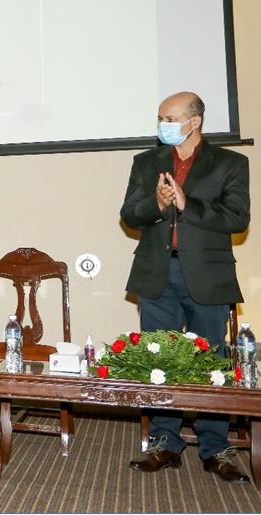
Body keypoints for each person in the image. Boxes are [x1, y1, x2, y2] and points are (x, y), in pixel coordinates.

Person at [121, 91, 250, 483]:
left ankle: (215, 447)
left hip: (207, 276)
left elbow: (237, 217)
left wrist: (185, 203)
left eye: (171, 118)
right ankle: (165, 442)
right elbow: (129, 214)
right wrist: (158, 205)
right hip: (157, 274)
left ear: (195, 121)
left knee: (211, 362)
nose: (164, 125)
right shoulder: (146, 162)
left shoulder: (230, 163)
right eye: (160, 118)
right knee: (159, 360)